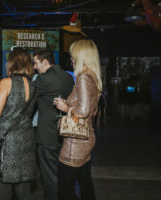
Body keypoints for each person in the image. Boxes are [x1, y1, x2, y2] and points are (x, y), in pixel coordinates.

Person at [53, 39, 102, 200]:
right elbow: (90, 108)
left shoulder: (83, 77)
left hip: (75, 142)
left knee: (64, 191)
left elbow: (84, 110)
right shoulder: (93, 77)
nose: (71, 58)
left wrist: (66, 108)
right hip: (87, 136)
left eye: (73, 55)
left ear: (81, 56)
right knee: (86, 184)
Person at [0, 47, 37, 200]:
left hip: (7, 146)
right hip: (26, 142)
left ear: (11, 64)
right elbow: (18, 103)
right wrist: (0, 88)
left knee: (3, 193)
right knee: (24, 192)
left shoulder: (6, 82)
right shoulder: (33, 85)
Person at [33, 49, 74, 200]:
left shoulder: (42, 80)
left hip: (47, 135)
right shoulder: (68, 78)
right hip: (64, 133)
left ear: (45, 62)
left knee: (49, 177)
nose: (34, 67)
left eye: (36, 63)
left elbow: (26, 94)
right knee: (61, 172)